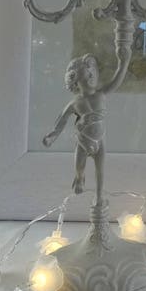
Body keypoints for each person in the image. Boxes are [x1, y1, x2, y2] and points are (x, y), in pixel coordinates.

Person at [43, 54, 106, 202]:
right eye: (86, 69)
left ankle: (99, 196)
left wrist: (123, 65)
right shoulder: (74, 103)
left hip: (100, 141)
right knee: (79, 166)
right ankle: (80, 178)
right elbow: (62, 120)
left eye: (91, 70)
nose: (90, 72)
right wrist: (51, 136)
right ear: (75, 77)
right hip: (83, 140)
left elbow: (115, 83)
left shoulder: (99, 96)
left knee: (100, 170)